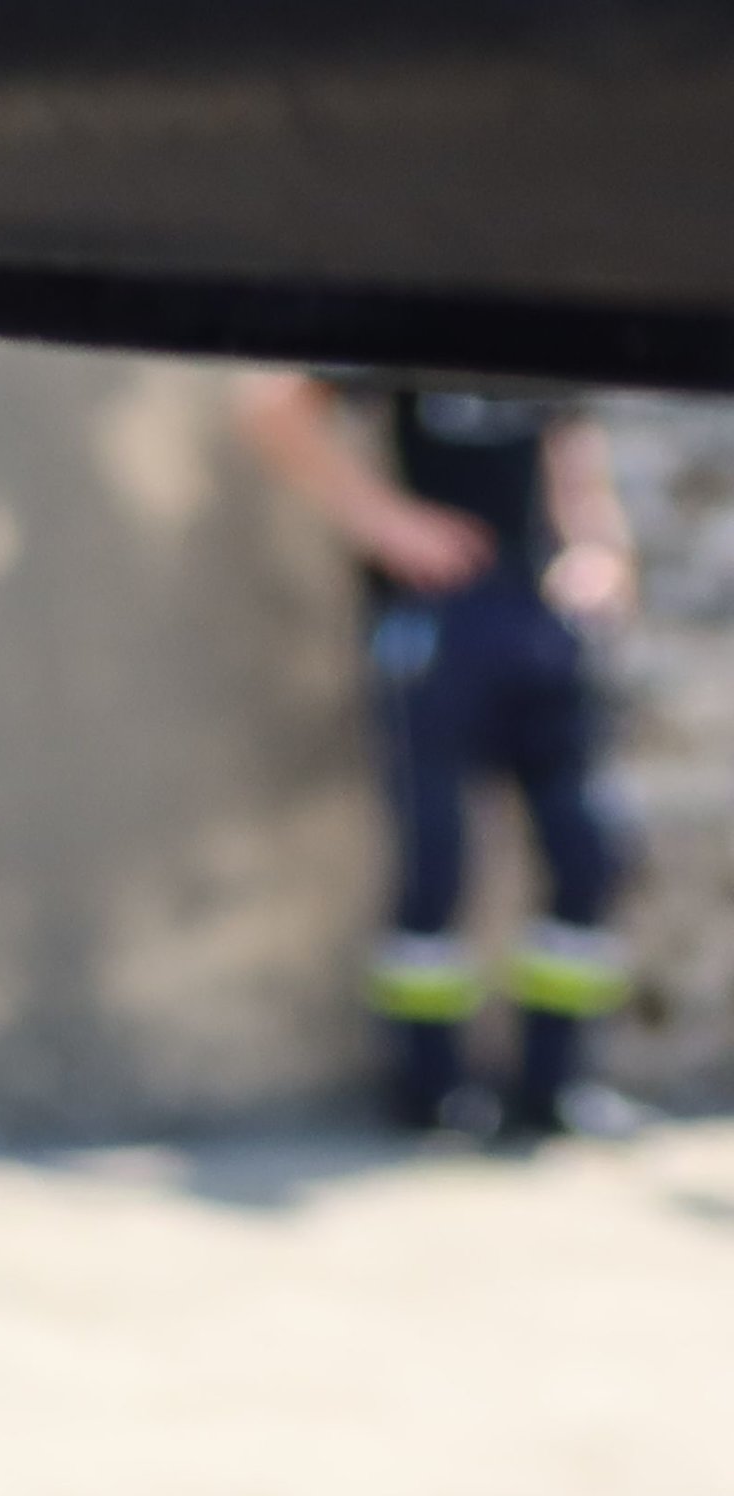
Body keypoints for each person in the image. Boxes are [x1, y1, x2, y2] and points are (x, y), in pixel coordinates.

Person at [237, 374, 640, 1139]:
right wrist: (388, 523)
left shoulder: (544, 329)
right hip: (440, 620)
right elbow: (270, 404)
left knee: (588, 853)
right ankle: (431, 1093)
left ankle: (554, 1088)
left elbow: (574, 450)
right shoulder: (414, 320)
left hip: (541, 620)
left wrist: (599, 550)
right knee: (436, 861)